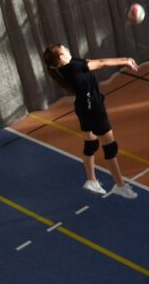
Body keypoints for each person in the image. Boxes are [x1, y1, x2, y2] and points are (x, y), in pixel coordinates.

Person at [42, 44, 139, 198]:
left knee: (91, 144)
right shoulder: (74, 67)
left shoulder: (69, 65)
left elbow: (94, 62)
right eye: (65, 49)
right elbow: (101, 63)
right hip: (93, 109)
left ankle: (91, 180)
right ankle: (119, 186)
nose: (68, 49)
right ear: (61, 57)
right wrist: (125, 60)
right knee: (110, 148)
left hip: (82, 107)